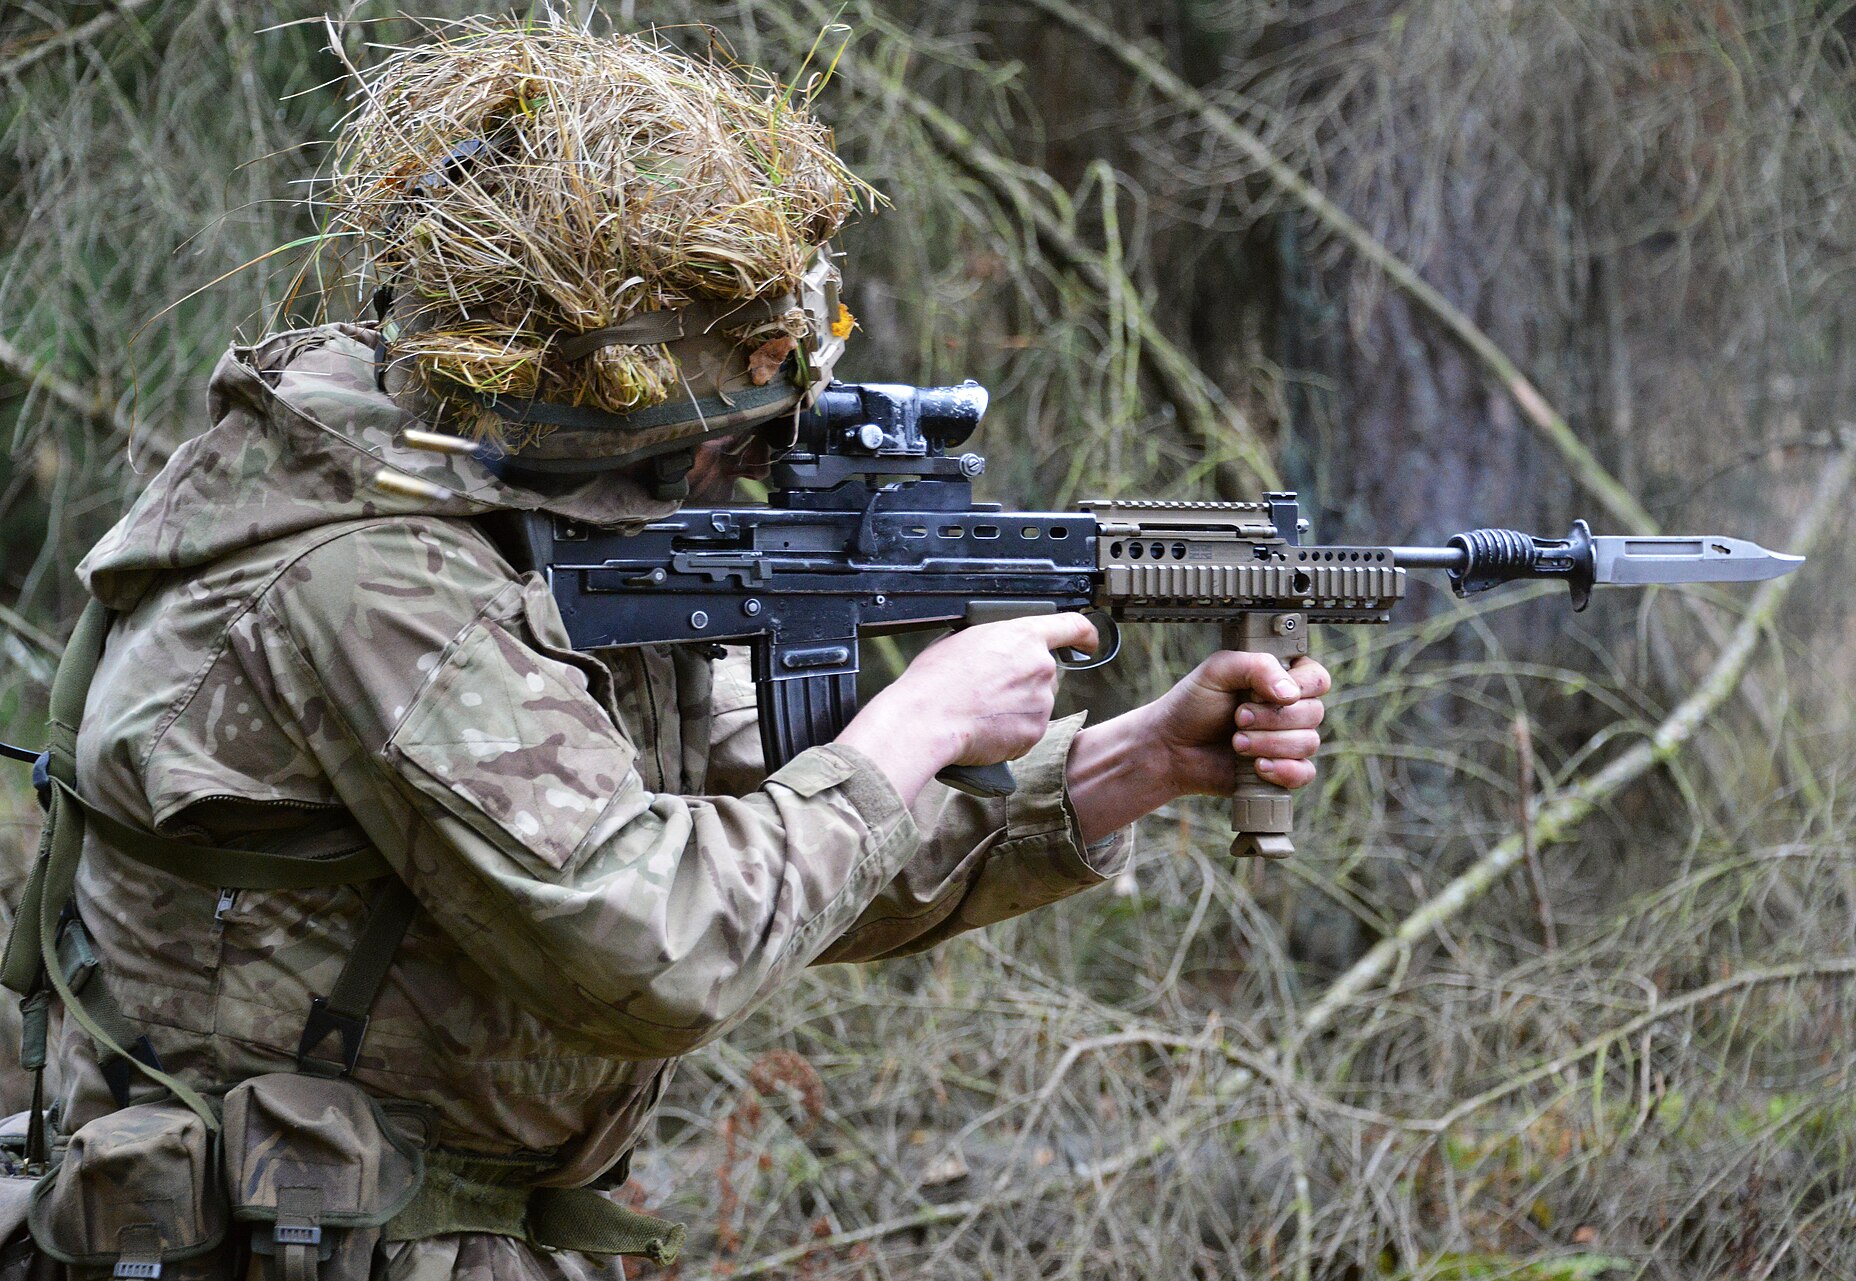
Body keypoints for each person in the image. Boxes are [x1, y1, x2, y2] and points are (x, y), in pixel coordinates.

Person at [16, 24, 1328, 1280]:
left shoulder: (541, 515)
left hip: (406, 1233)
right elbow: (659, 942)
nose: (746, 469)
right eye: (734, 432)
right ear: (601, 409)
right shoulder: (380, 576)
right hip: (273, 1245)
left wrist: (1128, 760)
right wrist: (913, 724)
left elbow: (787, 851)